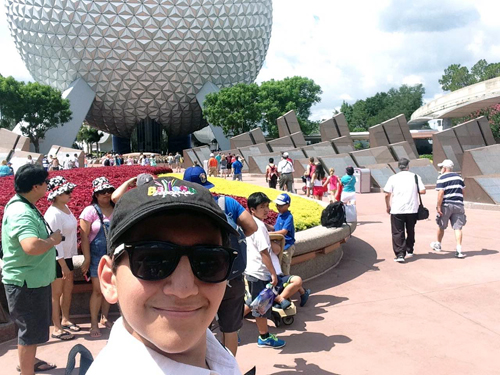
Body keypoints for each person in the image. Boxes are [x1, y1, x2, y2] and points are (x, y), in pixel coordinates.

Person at [87, 176, 241, 374]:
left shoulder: (217, 355)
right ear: (109, 280)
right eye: (153, 261)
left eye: (208, 262)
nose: (183, 289)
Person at [183, 165, 257, 356]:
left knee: (199, 327)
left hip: (201, 279)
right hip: (232, 275)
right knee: (230, 329)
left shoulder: (185, 210)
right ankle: (228, 369)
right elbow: (252, 226)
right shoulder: (226, 203)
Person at [2, 164, 62, 375]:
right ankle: (27, 371)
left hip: (30, 280)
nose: (48, 186)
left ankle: (28, 362)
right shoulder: (21, 211)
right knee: (29, 333)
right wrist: (52, 240)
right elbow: (31, 246)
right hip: (26, 284)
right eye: (46, 182)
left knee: (30, 330)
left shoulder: (23, 203)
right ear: (36, 186)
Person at [245, 192, 286, 349]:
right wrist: (273, 273)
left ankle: (231, 329)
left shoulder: (249, 223)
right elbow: (264, 253)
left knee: (254, 303)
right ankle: (264, 337)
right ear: (253, 209)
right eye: (262, 207)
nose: (266, 210)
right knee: (261, 307)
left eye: (267, 206)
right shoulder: (259, 227)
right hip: (259, 273)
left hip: (252, 271)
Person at [44, 176, 80, 341]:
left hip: (68, 256)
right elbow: (54, 241)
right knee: (56, 293)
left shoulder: (65, 208)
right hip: (57, 259)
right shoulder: (53, 214)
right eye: (66, 192)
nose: (70, 194)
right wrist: (63, 264)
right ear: (56, 194)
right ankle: (56, 326)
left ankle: (65, 319)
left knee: (67, 289)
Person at [79, 177, 115, 337]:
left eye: (109, 190)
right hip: (96, 255)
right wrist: (86, 258)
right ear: (95, 194)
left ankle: (105, 317)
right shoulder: (89, 211)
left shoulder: (117, 208)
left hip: (114, 253)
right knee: (98, 290)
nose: (106, 194)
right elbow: (84, 236)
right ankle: (94, 323)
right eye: (102, 191)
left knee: (110, 287)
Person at [384, 158, 426, 262]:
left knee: (398, 231)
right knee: (410, 229)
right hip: (412, 208)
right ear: (408, 166)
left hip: (397, 208)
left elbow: (386, 194)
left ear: (399, 167)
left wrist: (388, 206)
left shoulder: (393, 178)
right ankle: (409, 249)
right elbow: (423, 191)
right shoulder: (415, 177)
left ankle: (400, 254)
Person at [430, 159, 467, 258]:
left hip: (446, 204)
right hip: (458, 205)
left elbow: (441, 193)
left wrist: (438, 206)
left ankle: (438, 244)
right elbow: (463, 192)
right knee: (458, 227)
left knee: (441, 225)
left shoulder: (441, 177)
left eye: (441, 167)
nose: (441, 169)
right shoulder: (459, 177)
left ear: (445, 168)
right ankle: (459, 249)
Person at [267, 193, 296, 276]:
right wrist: (265, 226)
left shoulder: (289, 217)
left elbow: (283, 232)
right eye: (277, 205)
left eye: (281, 205)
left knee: (285, 269)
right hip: (278, 245)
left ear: (288, 205)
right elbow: (275, 228)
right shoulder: (280, 215)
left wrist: (270, 234)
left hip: (286, 247)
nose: (278, 207)